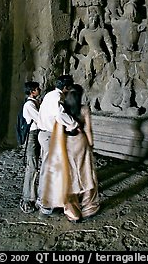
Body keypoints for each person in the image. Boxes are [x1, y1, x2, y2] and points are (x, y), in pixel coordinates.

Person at [41, 84, 100, 223]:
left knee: (70, 174)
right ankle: (89, 207)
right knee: (86, 172)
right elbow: (88, 129)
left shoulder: (62, 108)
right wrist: (91, 145)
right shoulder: (84, 108)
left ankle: (72, 209)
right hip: (81, 143)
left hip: (66, 144)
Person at [36, 74, 78, 215]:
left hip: (45, 134)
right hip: (49, 135)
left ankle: (44, 199)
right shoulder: (57, 97)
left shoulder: (49, 95)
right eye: (69, 87)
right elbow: (60, 115)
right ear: (65, 87)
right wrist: (74, 124)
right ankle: (45, 204)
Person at [19, 81, 41, 214]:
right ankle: (27, 200)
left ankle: (32, 197)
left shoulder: (34, 103)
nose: (39, 89)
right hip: (32, 136)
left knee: (34, 166)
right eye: (37, 88)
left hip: (36, 135)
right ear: (32, 91)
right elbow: (40, 119)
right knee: (31, 167)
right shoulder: (29, 105)